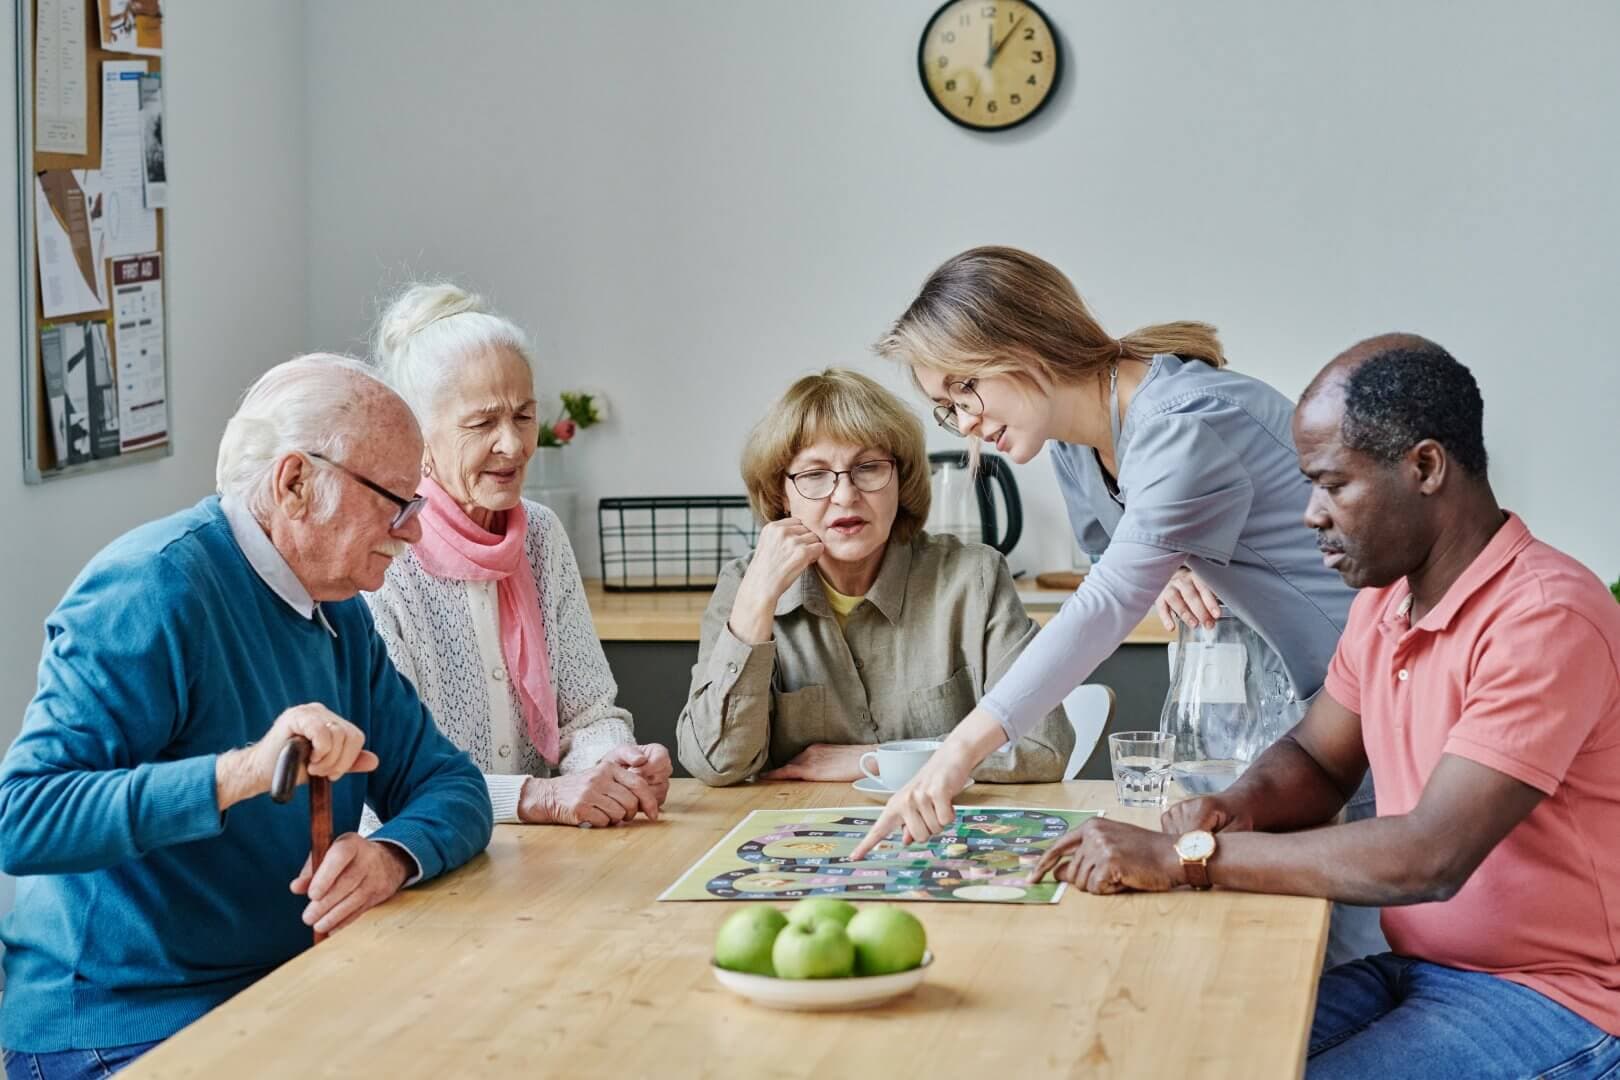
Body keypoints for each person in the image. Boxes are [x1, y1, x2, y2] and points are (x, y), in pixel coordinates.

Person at [1028, 336, 1620, 1078]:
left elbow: (1428, 857)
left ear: (1426, 468)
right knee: (1182, 1055)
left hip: (1554, 998)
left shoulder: (1545, 615)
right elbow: (1317, 757)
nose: (1310, 515)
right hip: (1419, 970)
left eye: (1333, 485)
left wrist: (1189, 859)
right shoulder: (1386, 604)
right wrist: (1234, 806)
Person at [851, 246, 1383, 963]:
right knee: (1300, 960)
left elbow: (1103, 605)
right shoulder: (1080, 442)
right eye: (947, 408)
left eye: (965, 388)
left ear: (1024, 343)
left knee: (1357, 961)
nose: (965, 421)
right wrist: (1162, 563)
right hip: (1314, 714)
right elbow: (1116, 557)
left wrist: (956, 755)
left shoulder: (1184, 420)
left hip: (1381, 700)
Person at [0, 356, 493, 1077]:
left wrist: (390, 856)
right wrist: (243, 772)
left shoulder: (340, 613)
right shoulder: (152, 587)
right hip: (116, 1021)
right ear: (296, 483)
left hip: (279, 989)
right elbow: (24, 817)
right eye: (397, 503)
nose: (413, 532)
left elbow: (451, 784)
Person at [364, 283, 670, 828]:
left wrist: (614, 766)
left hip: (535, 859)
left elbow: (590, 713)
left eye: (524, 416)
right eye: (482, 423)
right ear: (418, 434)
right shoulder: (382, 559)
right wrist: (537, 796)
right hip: (417, 859)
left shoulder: (541, 535)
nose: (513, 444)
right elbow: (390, 775)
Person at [676, 368, 1072, 785]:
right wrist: (756, 606)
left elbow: (1043, 746)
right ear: (781, 494)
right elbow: (715, 764)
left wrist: (881, 759)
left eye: (868, 467)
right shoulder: (744, 587)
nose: (846, 496)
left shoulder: (974, 578)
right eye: (814, 475)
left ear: (901, 479)